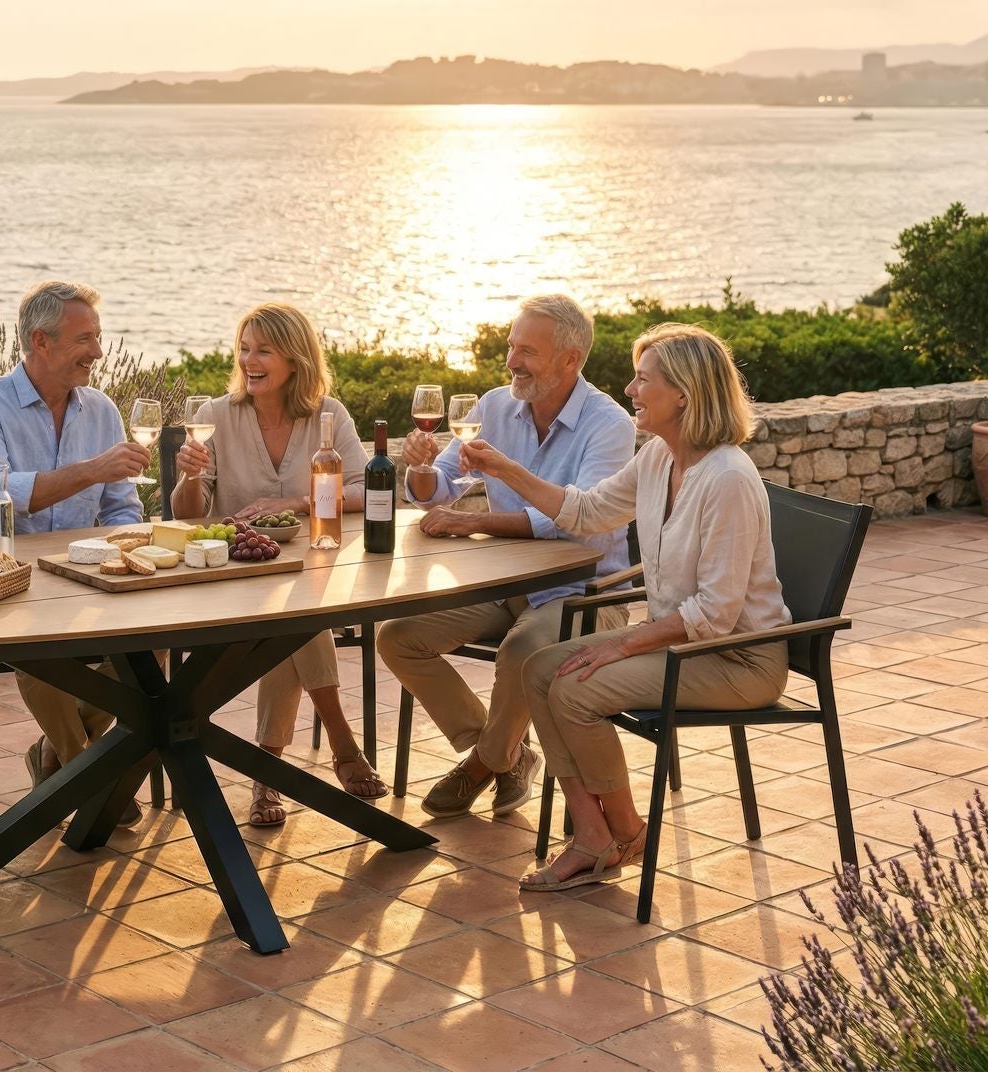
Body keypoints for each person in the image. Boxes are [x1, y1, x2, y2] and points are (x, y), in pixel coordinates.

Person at [460, 323, 789, 891]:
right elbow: (587, 511)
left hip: (736, 659)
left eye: (643, 380)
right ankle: (592, 835)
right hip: (685, 644)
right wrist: (505, 469)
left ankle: (628, 832)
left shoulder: (728, 479)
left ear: (681, 393)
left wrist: (621, 642)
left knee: (576, 687)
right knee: (539, 668)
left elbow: (713, 611)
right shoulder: (661, 457)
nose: (631, 391)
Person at [374, 294, 634, 817]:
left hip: (586, 592)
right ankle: (504, 753)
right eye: (512, 346)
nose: (513, 360)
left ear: (570, 359)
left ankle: (482, 764)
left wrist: (475, 521)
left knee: (523, 652)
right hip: (506, 584)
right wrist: (421, 467)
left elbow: (579, 517)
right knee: (399, 636)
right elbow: (439, 487)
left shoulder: (609, 424)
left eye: (528, 351)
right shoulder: (494, 406)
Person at [171, 302, 388, 824]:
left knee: (294, 616)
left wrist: (299, 503)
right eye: (244, 349)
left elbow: (368, 488)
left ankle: (268, 774)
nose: (250, 360)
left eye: (263, 350)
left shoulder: (327, 415)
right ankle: (341, 745)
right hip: (228, 577)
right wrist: (188, 478)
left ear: (295, 358)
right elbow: (187, 517)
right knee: (299, 620)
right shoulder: (215, 417)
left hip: (304, 571)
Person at [0, 280, 151, 818]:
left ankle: (59, 759)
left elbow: (123, 508)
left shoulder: (101, 409)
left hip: (79, 573)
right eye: (86, 339)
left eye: (99, 337)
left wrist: (127, 552)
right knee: (39, 651)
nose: (100, 353)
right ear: (42, 341)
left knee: (152, 648)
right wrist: (94, 469)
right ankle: (86, 768)